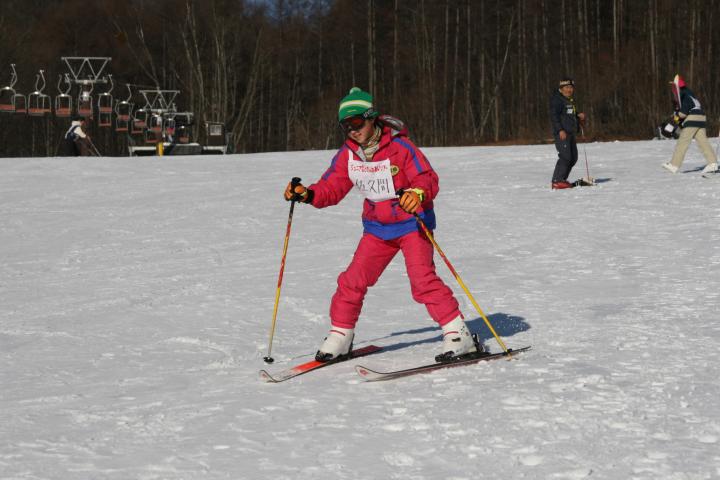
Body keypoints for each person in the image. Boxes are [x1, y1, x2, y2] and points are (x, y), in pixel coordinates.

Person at [283, 87, 478, 363]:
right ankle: (341, 334)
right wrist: (307, 194)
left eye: (356, 123)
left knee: (422, 281)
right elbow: (332, 187)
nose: (352, 130)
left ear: (371, 117)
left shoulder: (401, 147)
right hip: (378, 228)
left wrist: (417, 193)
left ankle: (458, 333)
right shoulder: (349, 154)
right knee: (352, 280)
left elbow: (427, 177)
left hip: (412, 224)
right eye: (346, 126)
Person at [662, 75, 718, 174]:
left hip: (693, 118)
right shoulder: (691, 94)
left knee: (683, 141)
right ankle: (713, 163)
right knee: (703, 142)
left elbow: (683, 113)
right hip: (701, 118)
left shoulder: (684, 95)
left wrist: (676, 116)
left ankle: (674, 165)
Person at [549, 78, 587, 189]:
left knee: (573, 157)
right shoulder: (557, 100)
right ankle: (557, 180)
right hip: (562, 133)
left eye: (571, 87)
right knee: (565, 157)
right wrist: (560, 130)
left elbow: (569, 114)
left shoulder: (569, 100)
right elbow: (554, 117)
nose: (569, 90)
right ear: (561, 89)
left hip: (570, 133)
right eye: (567, 87)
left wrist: (578, 115)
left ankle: (562, 179)